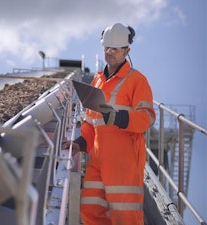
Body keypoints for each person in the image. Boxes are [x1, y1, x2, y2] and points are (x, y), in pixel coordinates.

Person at [70, 23, 156, 225]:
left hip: (124, 160)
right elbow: (91, 121)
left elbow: (147, 118)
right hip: (97, 158)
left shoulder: (137, 80)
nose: (109, 52)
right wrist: (80, 144)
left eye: (114, 49)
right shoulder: (97, 81)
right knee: (90, 210)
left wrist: (120, 118)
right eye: (106, 48)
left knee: (125, 216)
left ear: (127, 51)